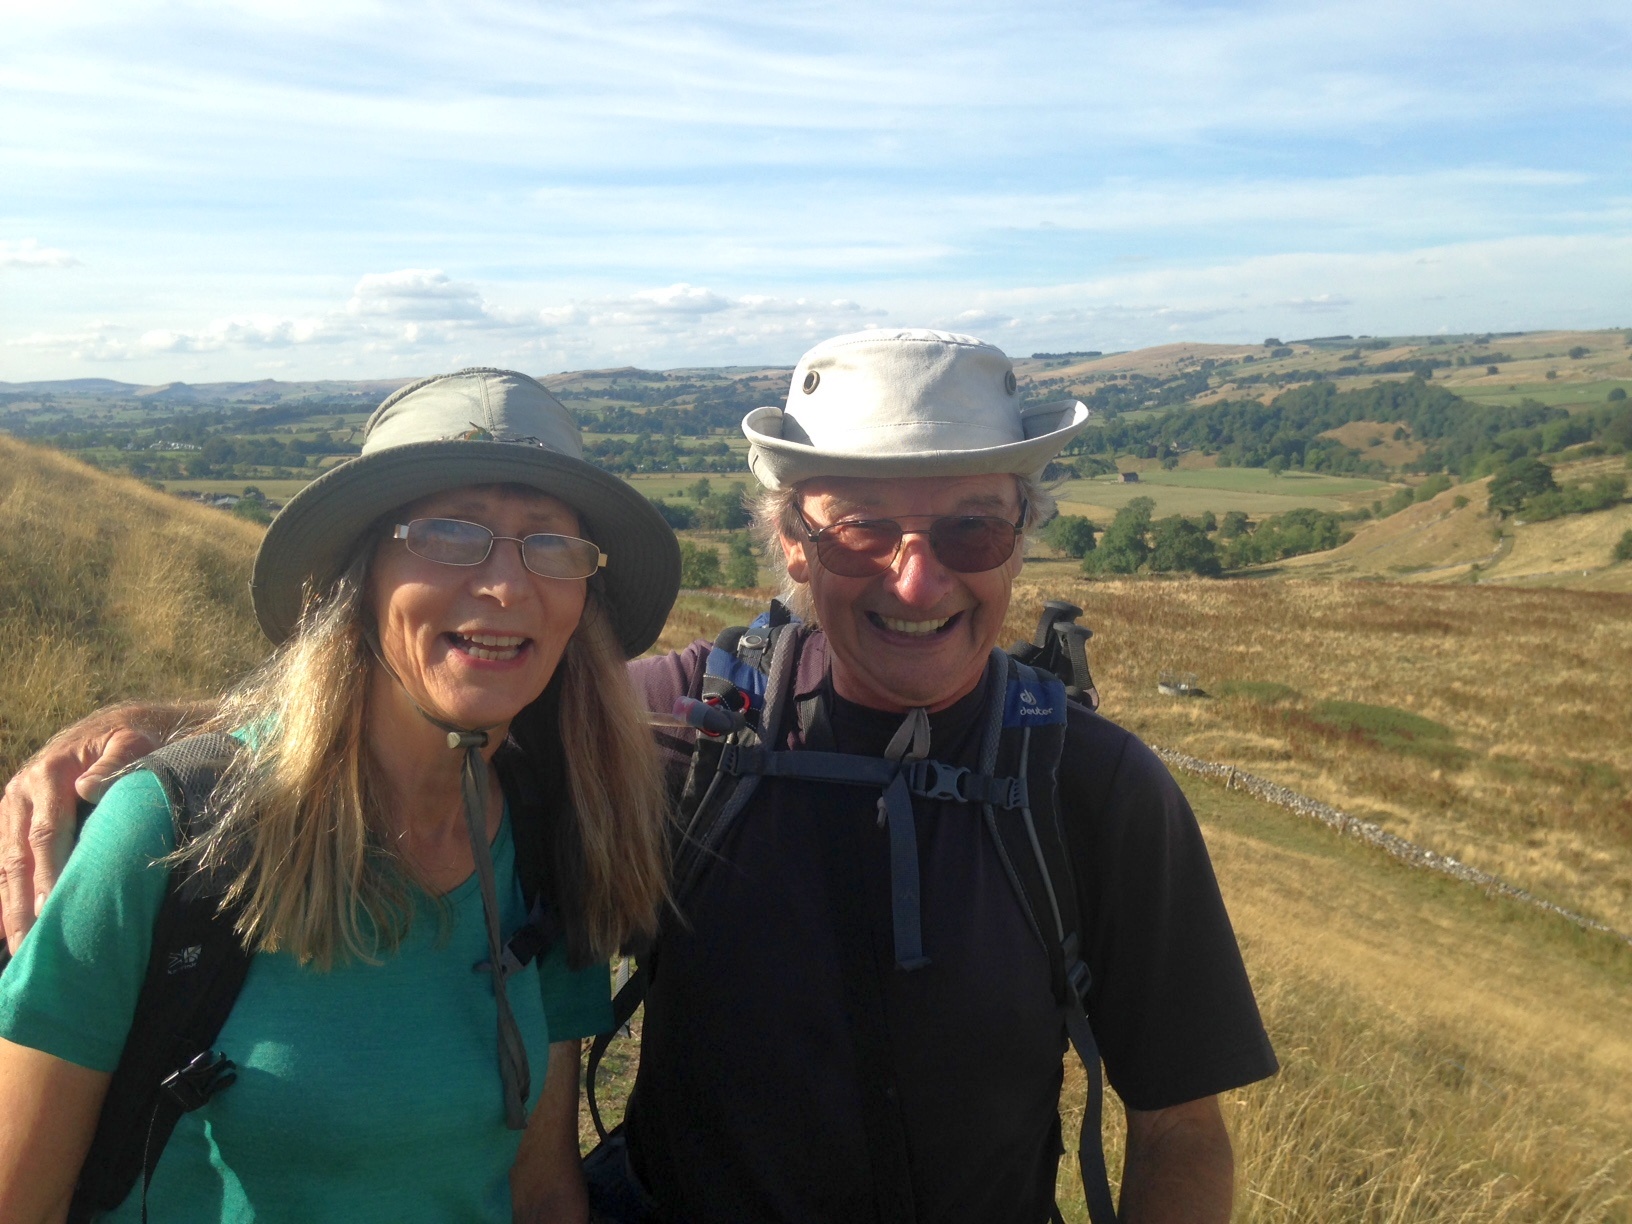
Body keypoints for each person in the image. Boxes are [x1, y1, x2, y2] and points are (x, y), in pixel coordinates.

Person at [4, 331, 1277, 1223]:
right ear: (790, 541)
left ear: (1021, 540)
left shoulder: (1094, 788)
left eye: (971, 528)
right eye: (860, 529)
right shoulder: (676, 729)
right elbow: (437, 693)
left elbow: (1180, 1132)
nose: (918, 577)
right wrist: (168, 732)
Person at [0, 368, 679, 1223]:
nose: (508, 587)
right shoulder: (172, 833)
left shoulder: (551, 837)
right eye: (450, 533)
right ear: (356, 576)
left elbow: (541, 1189)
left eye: (550, 544)